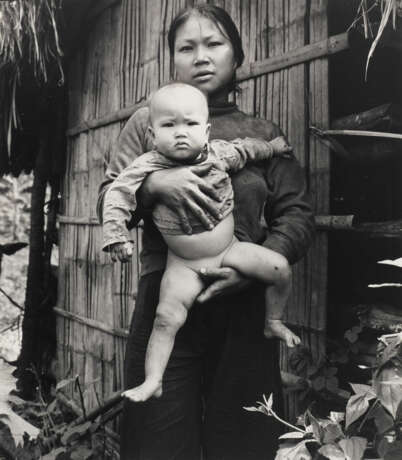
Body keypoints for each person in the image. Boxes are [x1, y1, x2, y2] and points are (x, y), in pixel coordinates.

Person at [97, 5, 315, 460]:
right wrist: (155, 185)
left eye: (214, 44)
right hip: (168, 297)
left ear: (235, 54)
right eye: (186, 48)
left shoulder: (260, 132)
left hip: (245, 307)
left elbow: (296, 215)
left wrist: (255, 266)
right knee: (156, 440)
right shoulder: (146, 123)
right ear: (172, 60)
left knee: (244, 443)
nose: (201, 57)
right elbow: (108, 198)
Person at [101, 82, 301, 403]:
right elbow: (116, 195)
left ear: (205, 131)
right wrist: (115, 235)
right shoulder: (148, 165)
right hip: (182, 264)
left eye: (190, 124)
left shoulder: (217, 153)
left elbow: (249, 148)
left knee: (279, 268)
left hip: (230, 249)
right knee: (166, 319)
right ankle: (154, 379)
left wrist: (274, 148)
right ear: (152, 135)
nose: (181, 132)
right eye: (169, 125)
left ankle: (273, 320)